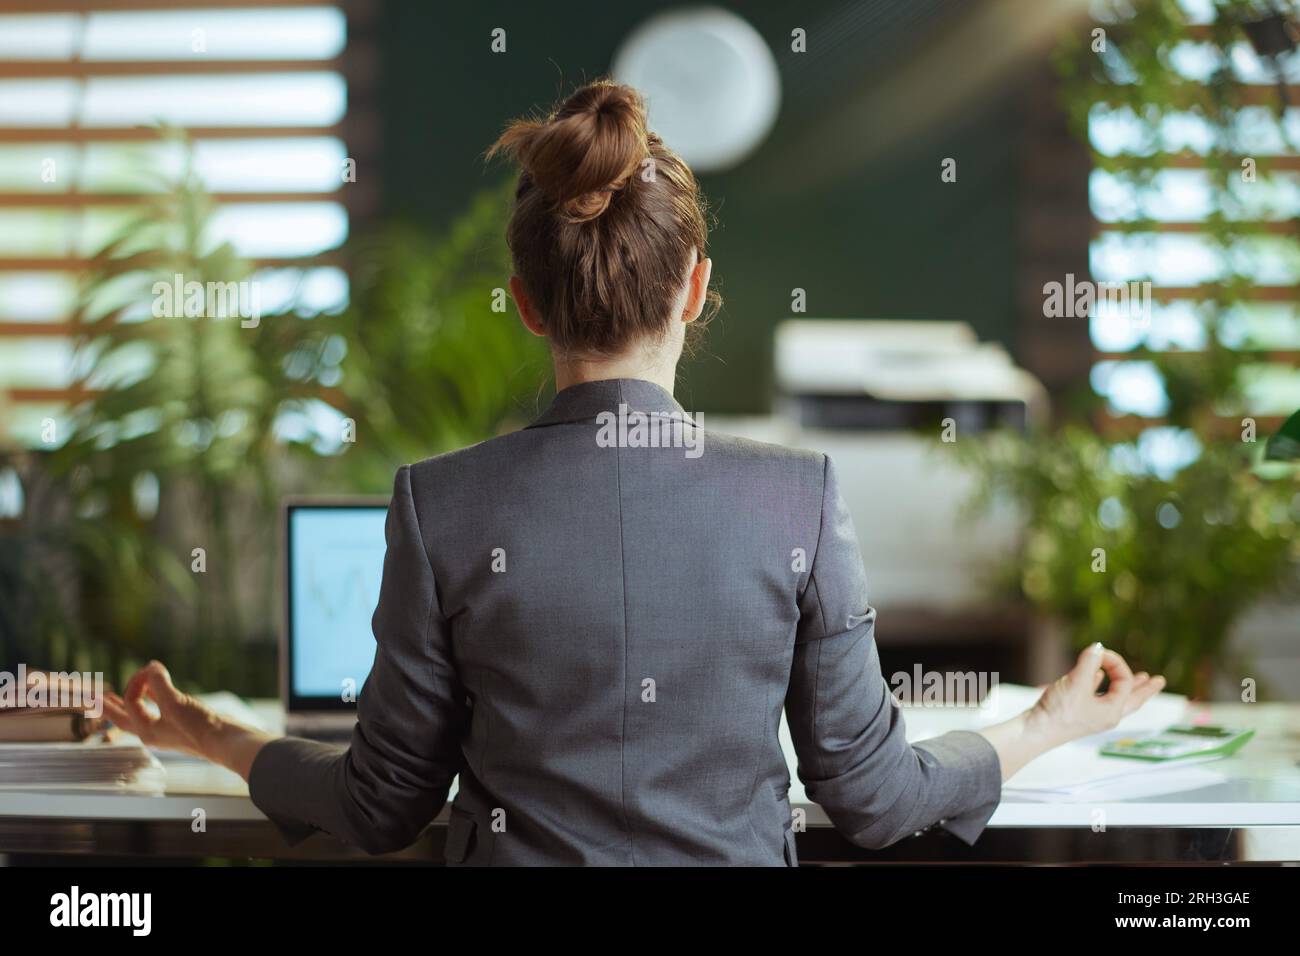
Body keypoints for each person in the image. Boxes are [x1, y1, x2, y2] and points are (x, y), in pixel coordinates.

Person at [104, 80, 1165, 865]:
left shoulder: (439, 502)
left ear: (522, 303)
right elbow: (875, 795)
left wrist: (203, 727)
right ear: (697, 287)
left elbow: (382, 802)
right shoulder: (798, 497)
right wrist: (1048, 721)